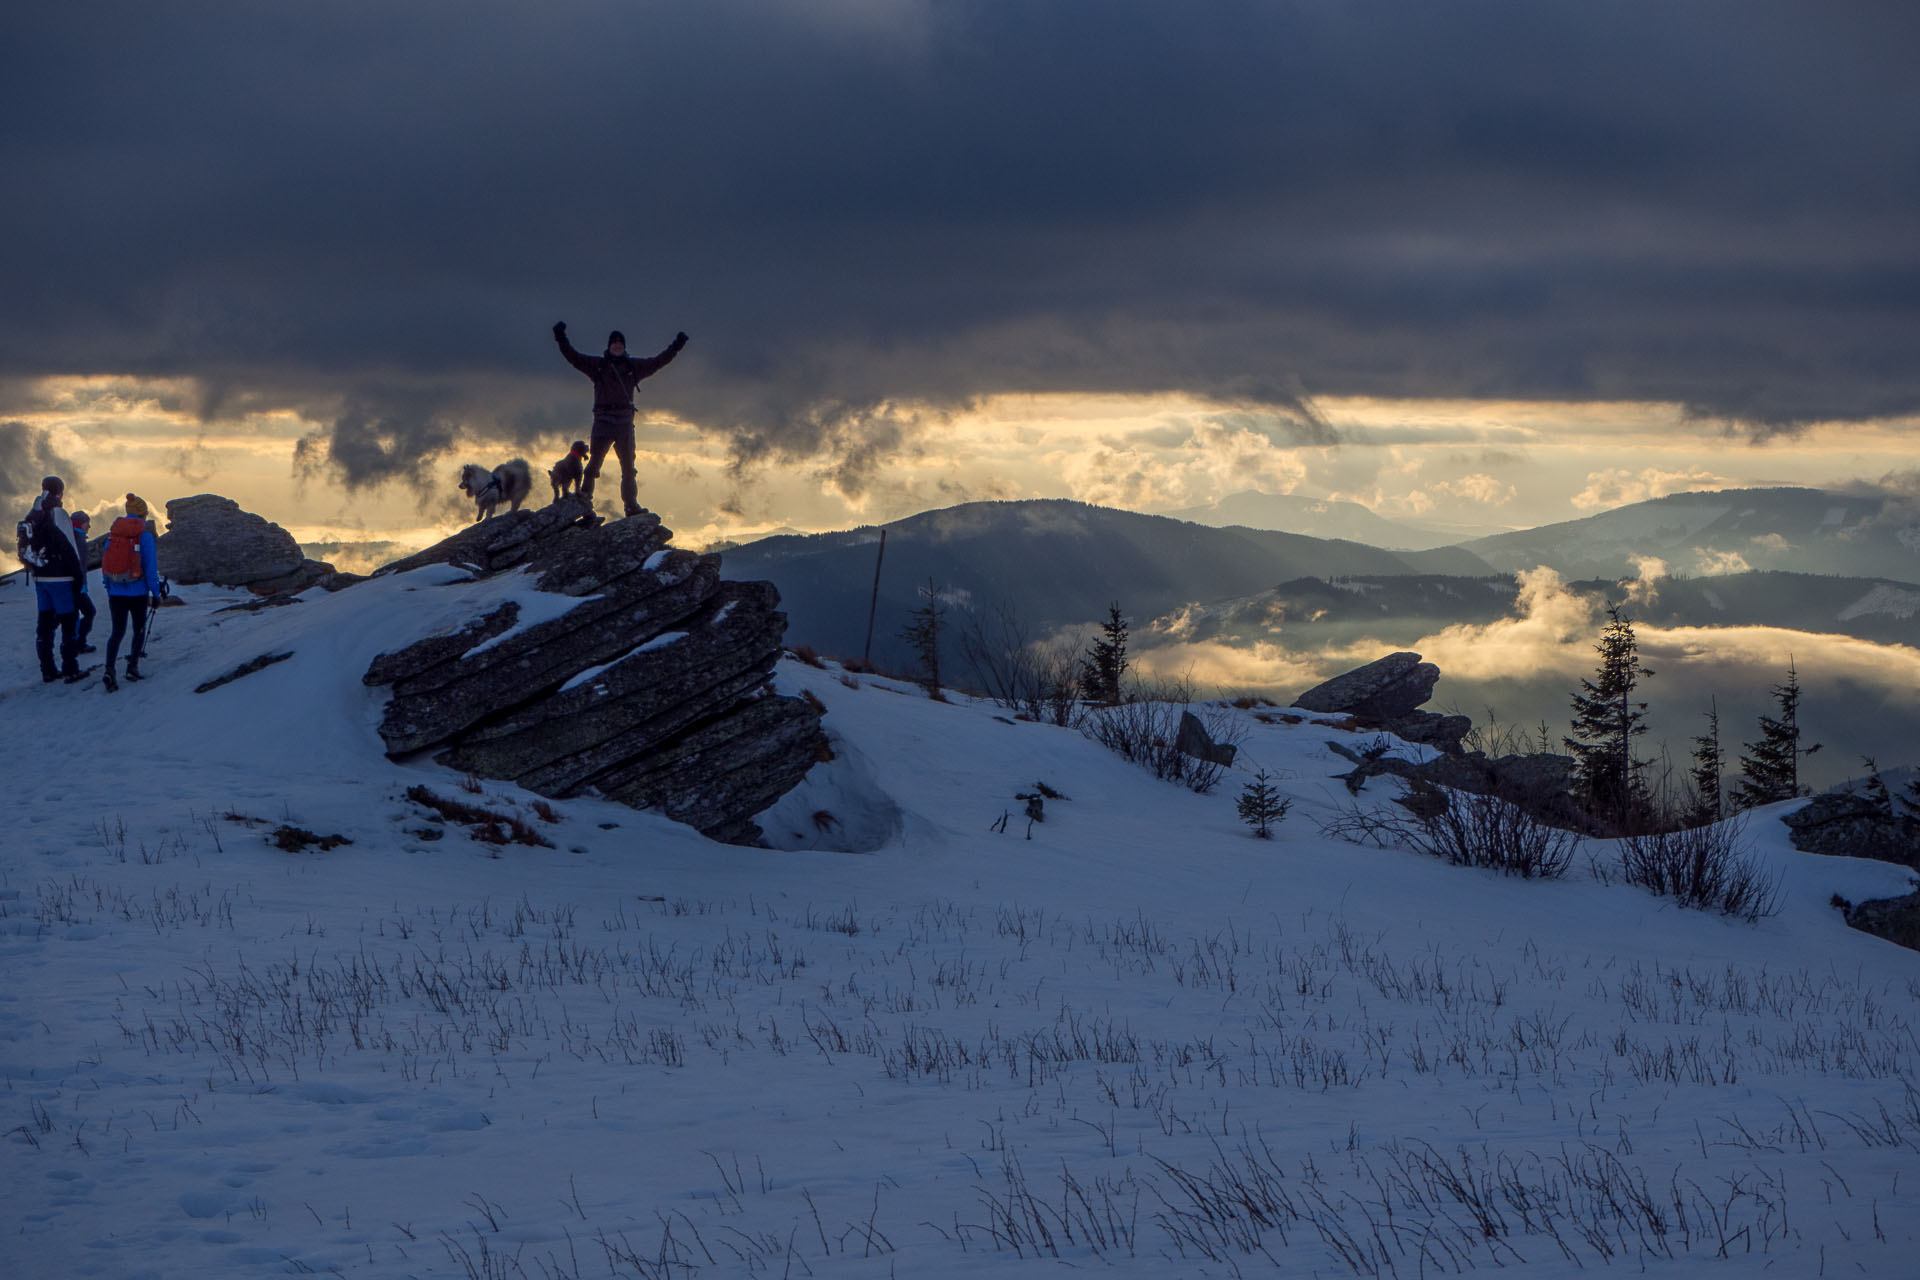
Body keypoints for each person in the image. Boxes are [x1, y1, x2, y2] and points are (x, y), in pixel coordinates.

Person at [551, 321, 688, 518]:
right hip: (603, 421)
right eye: (614, 343)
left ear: (624, 346)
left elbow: (659, 361)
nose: (617, 345)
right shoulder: (598, 366)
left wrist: (676, 346)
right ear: (609, 346)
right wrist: (560, 336)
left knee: (628, 469)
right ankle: (585, 499)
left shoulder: (633, 367)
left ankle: (631, 506)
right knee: (594, 464)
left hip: (623, 423)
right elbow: (573, 357)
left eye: (620, 343)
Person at [20, 475, 85, 683]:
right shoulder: (58, 513)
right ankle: (70, 668)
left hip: (40, 576)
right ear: (60, 492)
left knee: (45, 624)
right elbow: (68, 548)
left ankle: (47, 670)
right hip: (61, 578)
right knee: (68, 621)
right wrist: (78, 577)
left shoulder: (34, 513)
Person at [100, 493, 161, 693]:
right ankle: (132, 667)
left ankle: (109, 669)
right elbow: (150, 569)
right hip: (138, 592)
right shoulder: (145, 537)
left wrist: (109, 587)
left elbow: (106, 564)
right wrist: (156, 593)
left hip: (116, 592)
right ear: (143, 515)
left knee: (117, 632)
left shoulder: (114, 536)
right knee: (139, 629)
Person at [69, 508, 98, 654]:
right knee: (89, 612)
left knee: (73, 615)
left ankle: (75, 643)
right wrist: (82, 584)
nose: (89, 527)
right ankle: (78, 643)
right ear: (81, 523)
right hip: (77, 584)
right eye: (88, 523)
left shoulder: (69, 535)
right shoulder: (78, 539)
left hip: (68, 583)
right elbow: (80, 565)